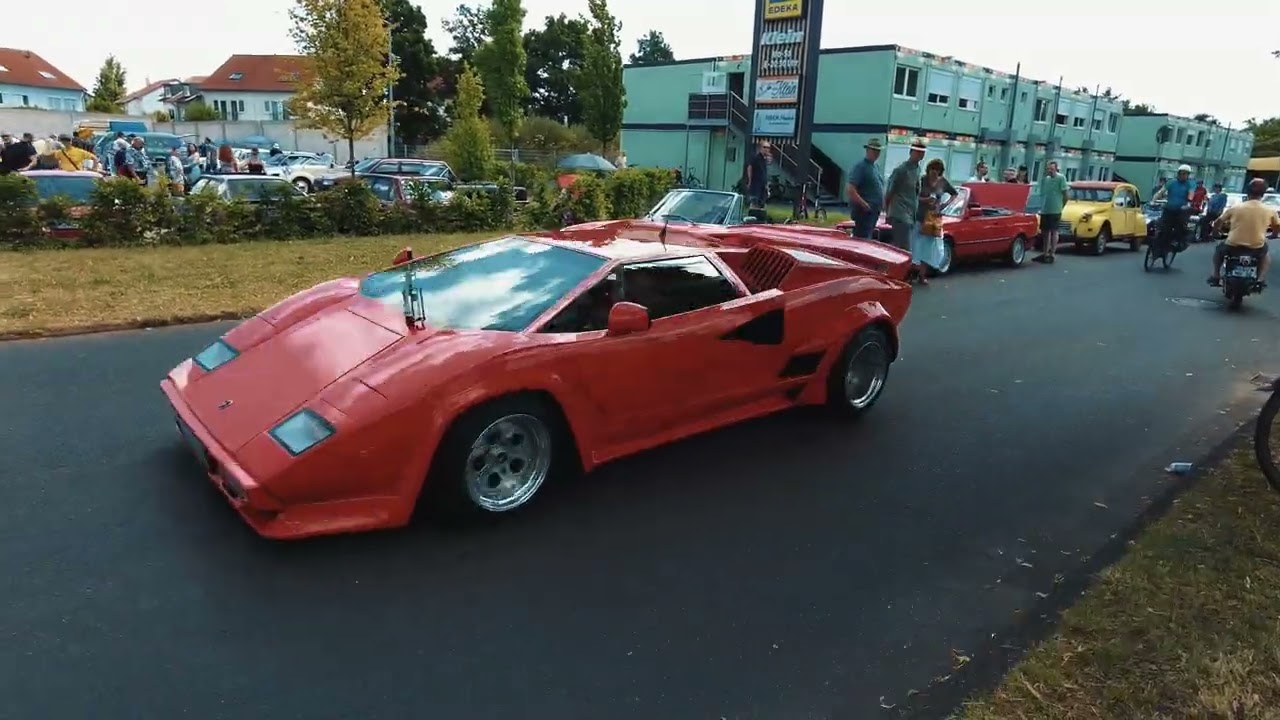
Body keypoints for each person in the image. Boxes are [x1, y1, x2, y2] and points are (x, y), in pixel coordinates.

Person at [1208, 178, 1276, 286]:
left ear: (1247, 192)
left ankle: (1216, 275)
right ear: (1263, 194)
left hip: (1233, 245)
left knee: (1218, 251)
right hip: (1256, 247)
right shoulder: (1270, 210)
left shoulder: (1236, 207)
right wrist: (1274, 234)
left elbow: (1218, 222)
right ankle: (1260, 279)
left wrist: (1215, 232)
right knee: (1265, 255)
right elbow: (1277, 226)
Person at [912, 158, 958, 284]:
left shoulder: (943, 182)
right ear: (928, 169)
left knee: (929, 248)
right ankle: (912, 272)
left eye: (937, 170)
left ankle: (922, 275)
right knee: (915, 245)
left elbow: (954, 193)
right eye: (932, 169)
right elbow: (914, 196)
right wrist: (924, 200)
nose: (934, 172)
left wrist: (945, 204)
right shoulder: (922, 180)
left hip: (933, 219)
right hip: (920, 216)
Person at [883, 137, 927, 251]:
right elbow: (890, 192)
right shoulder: (901, 170)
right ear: (911, 152)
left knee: (905, 248)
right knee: (904, 249)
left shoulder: (917, 169)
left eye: (922, 152)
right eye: (917, 152)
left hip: (911, 214)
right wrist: (887, 212)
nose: (920, 155)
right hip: (900, 214)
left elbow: (915, 192)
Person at [845, 138, 884, 239]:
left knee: (868, 236)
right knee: (862, 238)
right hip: (864, 212)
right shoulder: (860, 167)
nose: (876, 153)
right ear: (867, 150)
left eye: (878, 151)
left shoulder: (875, 167)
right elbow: (850, 189)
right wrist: (864, 204)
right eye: (874, 150)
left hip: (874, 211)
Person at [1034, 160, 1069, 264]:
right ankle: (1045, 253)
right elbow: (1044, 194)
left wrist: (1061, 206)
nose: (1050, 171)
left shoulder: (1061, 178)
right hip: (1046, 209)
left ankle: (1052, 253)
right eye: (1048, 169)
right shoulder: (1046, 179)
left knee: (1054, 231)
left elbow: (1065, 194)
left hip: (1055, 209)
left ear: (1056, 169)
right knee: (1045, 232)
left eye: (1052, 169)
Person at [1157, 164, 1195, 251]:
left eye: (1185, 174)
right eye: (1181, 173)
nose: (1182, 175)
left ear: (1188, 175)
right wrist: (1154, 199)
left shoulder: (1190, 184)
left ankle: (1178, 241)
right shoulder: (1171, 182)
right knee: (1162, 225)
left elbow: (1191, 193)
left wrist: (1188, 203)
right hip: (1169, 208)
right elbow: (1162, 191)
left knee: (1180, 225)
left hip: (1181, 210)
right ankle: (1159, 242)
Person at [744, 140, 771, 208]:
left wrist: (766, 185)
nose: (766, 149)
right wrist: (749, 181)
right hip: (755, 184)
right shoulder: (755, 157)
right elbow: (749, 167)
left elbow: (764, 172)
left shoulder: (764, 159)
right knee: (754, 201)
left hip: (763, 185)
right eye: (764, 147)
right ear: (760, 148)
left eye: (768, 148)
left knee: (762, 202)